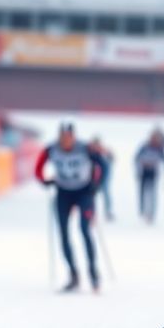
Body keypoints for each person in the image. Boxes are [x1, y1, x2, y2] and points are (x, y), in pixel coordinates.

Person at [35, 122, 103, 292]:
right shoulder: (51, 149)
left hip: (84, 192)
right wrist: (45, 181)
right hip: (63, 193)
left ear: (73, 136)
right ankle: (73, 274)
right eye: (63, 137)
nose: (66, 140)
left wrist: (96, 184)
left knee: (85, 230)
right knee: (64, 234)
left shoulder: (85, 148)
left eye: (69, 137)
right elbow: (38, 168)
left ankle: (93, 273)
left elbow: (103, 165)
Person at [135, 130, 164, 223]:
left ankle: (152, 213)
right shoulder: (144, 147)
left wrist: (161, 162)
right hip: (144, 171)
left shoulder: (159, 148)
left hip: (153, 172)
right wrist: (139, 168)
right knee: (142, 192)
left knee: (152, 193)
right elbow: (137, 158)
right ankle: (142, 210)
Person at [88, 136, 115, 221]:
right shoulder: (90, 154)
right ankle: (91, 214)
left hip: (104, 179)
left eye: (97, 145)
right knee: (91, 196)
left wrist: (106, 152)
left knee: (106, 194)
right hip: (92, 179)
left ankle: (108, 212)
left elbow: (112, 159)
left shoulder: (104, 153)